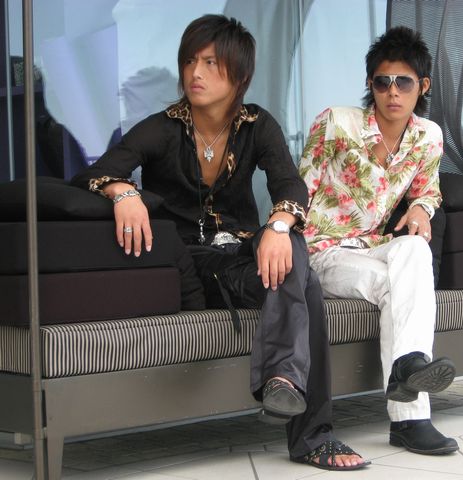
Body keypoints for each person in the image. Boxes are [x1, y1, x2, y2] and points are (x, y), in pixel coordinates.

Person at [71, 14, 367, 471]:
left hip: (245, 254)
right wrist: (124, 192)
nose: (196, 73)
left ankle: (286, 385)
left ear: (239, 75)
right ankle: (307, 424)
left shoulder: (256, 125)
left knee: (291, 244)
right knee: (305, 284)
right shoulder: (162, 127)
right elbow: (95, 173)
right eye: (190, 61)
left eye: (211, 62)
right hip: (194, 262)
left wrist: (278, 227)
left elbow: (290, 184)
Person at [299, 26, 459, 455]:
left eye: (403, 82)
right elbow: (298, 190)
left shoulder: (428, 136)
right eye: (382, 82)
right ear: (370, 84)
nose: (392, 92)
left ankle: (408, 367)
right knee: (398, 287)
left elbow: (428, 190)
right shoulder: (337, 123)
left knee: (414, 247)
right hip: (323, 250)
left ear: (423, 86)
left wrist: (421, 208)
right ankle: (410, 418)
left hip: (371, 245)